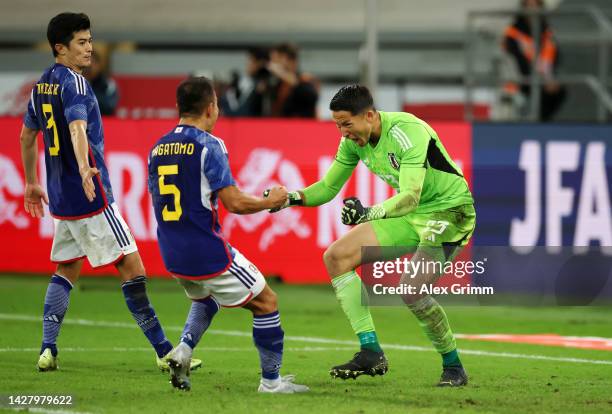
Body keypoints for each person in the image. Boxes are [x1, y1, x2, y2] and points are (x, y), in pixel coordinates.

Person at [20, 12, 200, 373]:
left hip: (61, 197)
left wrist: (30, 181)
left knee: (66, 269)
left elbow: (27, 136)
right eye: (82, 42)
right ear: (61, 48)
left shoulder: (41, 85)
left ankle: (47, 349)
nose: (90, 48)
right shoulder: (76, 83)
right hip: (91, 196)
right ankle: (165, 351)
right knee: (132, 268)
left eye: (90, 41)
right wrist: (86, 166)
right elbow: (76, 127)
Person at [267, 84, 475, 387]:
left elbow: (410, 196)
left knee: (411, 289)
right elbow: (327, 187)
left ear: (370, 115)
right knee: (337, 257)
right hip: (412, 216)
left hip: (449, 212)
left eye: (347, 124)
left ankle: (453, 366)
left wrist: (368, 213)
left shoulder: (407, 131)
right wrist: (289, 198)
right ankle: (370, 350)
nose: (343, 132)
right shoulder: (353, 141)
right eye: (338, 125)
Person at [147, 76, 309, 394]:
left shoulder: (157, 148)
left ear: (179, 107)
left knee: (206, 300)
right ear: (211, 108)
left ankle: (182, 350)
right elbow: (234, 203)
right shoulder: (210, 145)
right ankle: (271, 382)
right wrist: (271, 202)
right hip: (206, 250)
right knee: (266, 301)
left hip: (171, 250)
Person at [502, 0, 566, 121]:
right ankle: (535, 124)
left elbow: (554, 56)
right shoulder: (513, 32)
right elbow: (517, 61)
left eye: (536, 5)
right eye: (529, 5)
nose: (533, 9)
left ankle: (541, 123)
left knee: (559, 91)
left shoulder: (546, 32)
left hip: (542, 78)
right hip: (521, 79)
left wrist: (549, 78)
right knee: (540, 92)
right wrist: (541, 80)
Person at [268, 43, 319, 118]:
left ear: (288, 60)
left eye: (276, 60)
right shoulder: (276, 83)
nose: (272, 64)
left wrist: (286, 76)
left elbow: (311, 98)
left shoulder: (305, 80)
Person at [84, 51, 119, 116]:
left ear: (99, 65)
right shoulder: (75, 82)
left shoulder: (108, 84)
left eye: (92, 63)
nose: (89, 67)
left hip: (104, 122)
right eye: (86, 63)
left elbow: (109, 107)